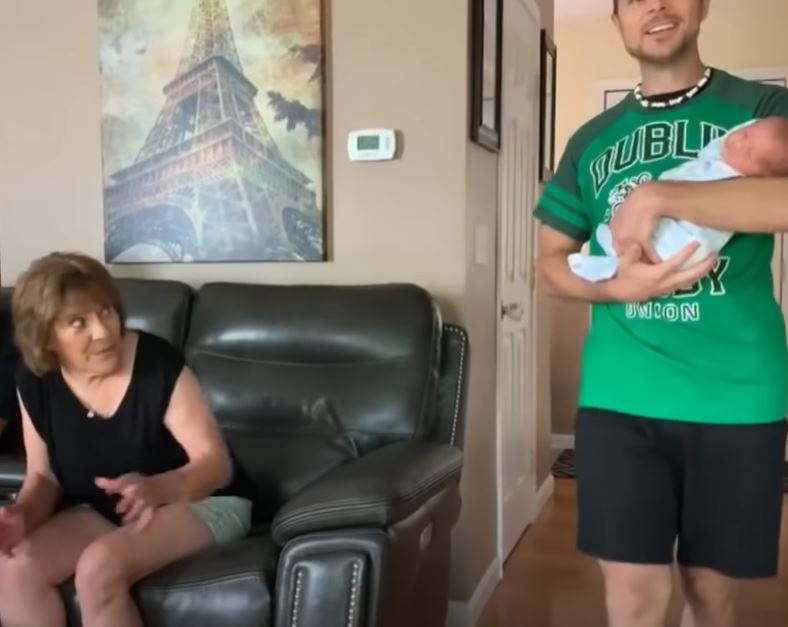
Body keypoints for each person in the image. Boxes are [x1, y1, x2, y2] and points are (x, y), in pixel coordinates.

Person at [534, 0, 788, 626]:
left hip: (738, 393)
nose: (654, 5)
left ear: (702, 6)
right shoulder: (589, 141)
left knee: (711, 591)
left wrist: (657, 195)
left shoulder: (764, 110)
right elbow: (548, 265)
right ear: (616, 19)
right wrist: (616, 289)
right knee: (632, 595)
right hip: (621, 391)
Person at [0, 252, 254, 627]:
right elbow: (43, 477)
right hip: (111, 509)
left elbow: (215, 465)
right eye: (78, 322)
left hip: (204, 501)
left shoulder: (156, 362)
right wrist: (20, 518)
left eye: (106, 312)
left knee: (98, 568)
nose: (104, 331)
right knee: (14, 568)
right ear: (45, 336)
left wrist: (157, 488)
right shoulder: (34, 379)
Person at [569, 116, 788, 281]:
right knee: (634, 236)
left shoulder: (737, 179)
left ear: (763, 176)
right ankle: (612, 257)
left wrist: (652, 196)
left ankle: (613, 265)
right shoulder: (588, 138)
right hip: (618, 325)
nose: (738, 142)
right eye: (746, 134)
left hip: (690, 240)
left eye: (749, 154)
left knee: (661, 248)